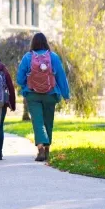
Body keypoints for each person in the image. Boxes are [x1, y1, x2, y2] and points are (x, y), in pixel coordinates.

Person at [16, 32, 70, 162]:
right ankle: (47, 150)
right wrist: (66, 94)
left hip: (33, 94)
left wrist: (26, 86)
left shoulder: (27, 58)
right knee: (48, 122)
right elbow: (61, 77)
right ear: (45, 43)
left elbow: (19, 79)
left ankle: (40, 149)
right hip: (50, 94)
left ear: (33, 43)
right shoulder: (53, 57)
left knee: (38, 122)